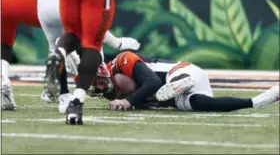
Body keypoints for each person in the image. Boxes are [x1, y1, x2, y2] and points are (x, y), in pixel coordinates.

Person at [1, 0, 141, 111]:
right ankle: (74, 93)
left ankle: (8, 79)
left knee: (47, 45)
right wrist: (117, 43)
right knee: (87, 40)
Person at [72, 51, 279, 112]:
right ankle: (258, 100)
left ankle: (182, 82)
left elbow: (152, 82)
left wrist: (128, 101)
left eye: (97, 82)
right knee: (203, 105)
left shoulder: (122, 60)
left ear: (100, 72)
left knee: (129, 83)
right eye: (96, 89)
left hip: (181, 71)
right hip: (176, 96)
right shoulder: (109, 92)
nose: (101, 87)